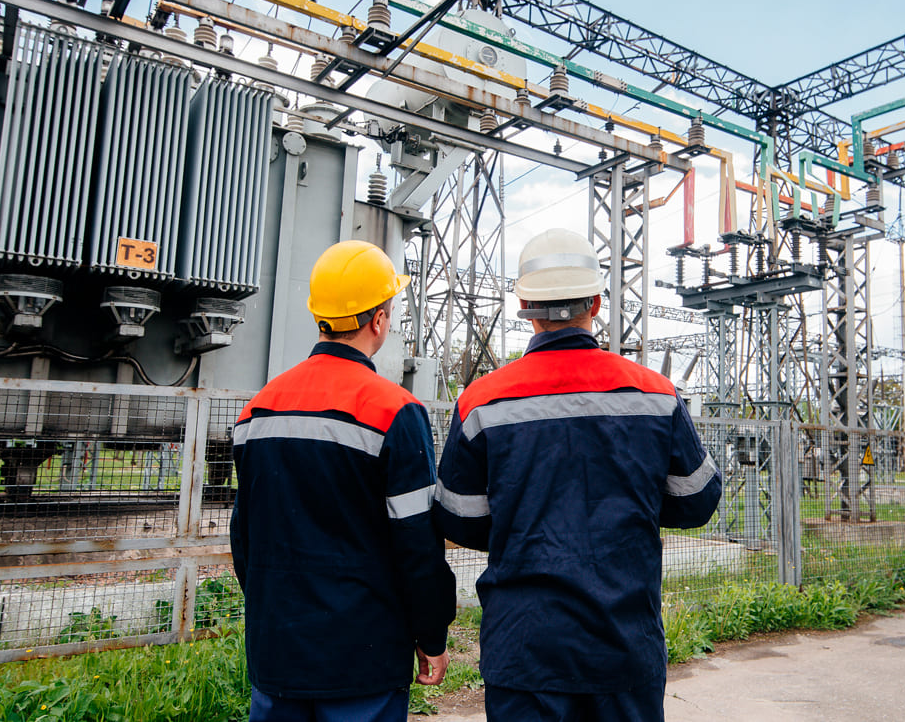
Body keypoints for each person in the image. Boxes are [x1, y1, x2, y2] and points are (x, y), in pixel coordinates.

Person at [435, 227, 722, 722]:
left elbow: (460, 519)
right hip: (623, 645)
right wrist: (633, 507)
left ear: (524, 305)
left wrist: (520, 523)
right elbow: (697, 501)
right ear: (596, 302)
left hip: (525, 649)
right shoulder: (655, 395)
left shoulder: (481, 402)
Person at [230, 240, 455, 721]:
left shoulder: (258, 410)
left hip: (277, 652)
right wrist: (431, 634)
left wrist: (275, 613)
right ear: (379, 320)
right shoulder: (395, 412)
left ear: (320, 315)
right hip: (363, 658)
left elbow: (244, 536)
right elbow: (417, 544)